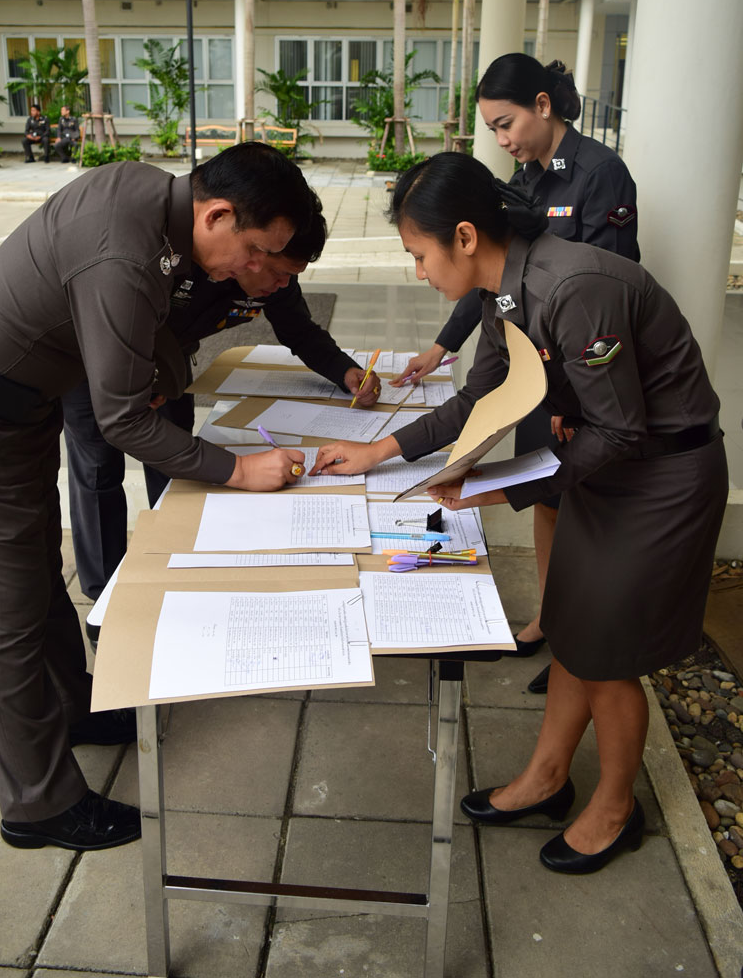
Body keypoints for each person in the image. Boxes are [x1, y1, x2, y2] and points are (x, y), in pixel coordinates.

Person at [311, 152, 727, 874]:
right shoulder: (500, 294)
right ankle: (547, 777)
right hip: (606, 467)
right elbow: (478, 398)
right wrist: (378, 451)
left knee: (607, 657)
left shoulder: (575, 286)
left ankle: (617, 809)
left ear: (465, 236)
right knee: (570, 625)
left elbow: (619, 429)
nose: (418, 272)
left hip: (661, 480)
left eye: (419, 254)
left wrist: (501, 487)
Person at [0, 143, 316, 852]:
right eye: (256, 251)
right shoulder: (127, 250)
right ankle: (37, 803)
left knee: (35, 580)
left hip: (18, 403)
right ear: (217, 214)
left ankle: (72, 707)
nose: (252, 271)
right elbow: (120, 422)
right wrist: (238, 471)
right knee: (4, 614)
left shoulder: (154, 207)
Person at [392, 55, 640, 688]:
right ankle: (553, 622)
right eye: (493, 131)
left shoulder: (598, 174)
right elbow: (492, 280)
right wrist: (444, 346)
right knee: (549, 500)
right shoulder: (525, 178)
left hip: (580, 377)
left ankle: (576, 643)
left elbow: (594, 297)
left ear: (543, 105)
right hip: (537, 368)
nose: (502, 140)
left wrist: (565, 403)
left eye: (506, 124)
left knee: (577, 499)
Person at [63, 190, 382, 602]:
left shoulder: (275, 274)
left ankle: (173, 556)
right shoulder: (180, 261)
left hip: (168, 366)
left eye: (291, 275)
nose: (282, 284)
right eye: (277, 271)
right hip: (94, 360)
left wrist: (345, 370)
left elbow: (299, 329)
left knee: (178, 459)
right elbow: (116, 326)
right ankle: (103, 594)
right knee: (98, 470)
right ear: (256, 250)